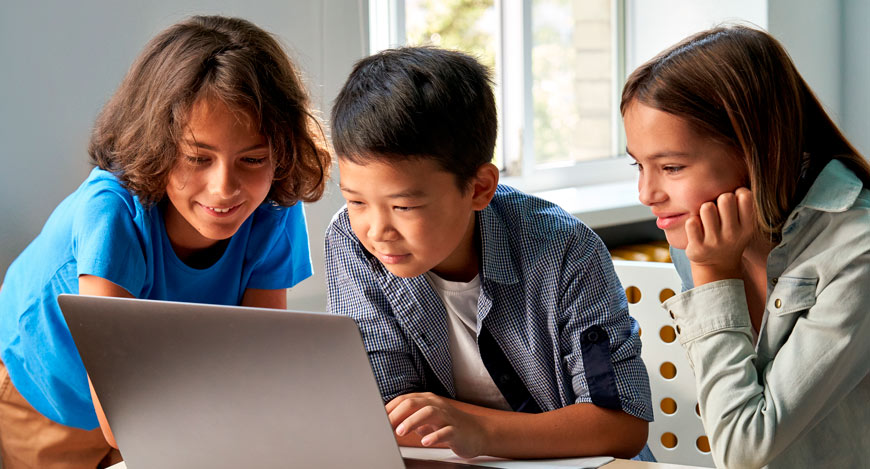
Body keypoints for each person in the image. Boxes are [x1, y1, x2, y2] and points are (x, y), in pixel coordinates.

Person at [0, 15, 330, 468]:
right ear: (156, 144)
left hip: (157, 380)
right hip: (46, 388)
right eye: (198, 157)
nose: (225, 188)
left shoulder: (271, 206)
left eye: (253, 159)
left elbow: (258, 362)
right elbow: (125, 421)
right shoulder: (112, 214)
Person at [325, 46, 653, 461]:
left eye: (403, 207)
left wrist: (477, 429)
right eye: (356, 202)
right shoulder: (350, 240)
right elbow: (386, 415)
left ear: (480, 188)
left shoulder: (565, 250)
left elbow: (621, 426)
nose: (376, 230)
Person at [622, 24, 870, 468]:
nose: (646, 193)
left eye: (672, 167)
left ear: (760, 149)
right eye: (638, 165)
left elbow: (743, 450)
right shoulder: (703, 236)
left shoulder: (858, 250)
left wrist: (714, 276)